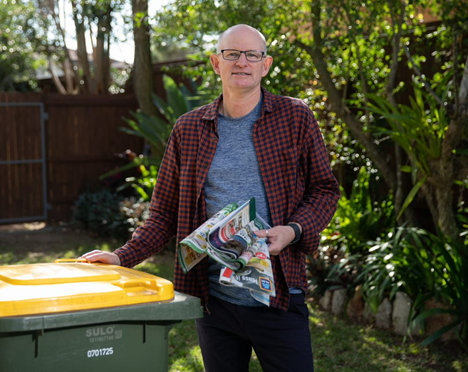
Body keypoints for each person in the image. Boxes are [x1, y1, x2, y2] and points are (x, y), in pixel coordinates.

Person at [82, 24, 340, 372]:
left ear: (266, 65)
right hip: (214, 301)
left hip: (279, 298)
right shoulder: (189, 128)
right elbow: (163, 213)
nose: (242, 62)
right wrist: (121, 256)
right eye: (231, 54)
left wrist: (292, 231)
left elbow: (325, 190)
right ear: (216, 63)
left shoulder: (295, 117)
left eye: (252, 55)